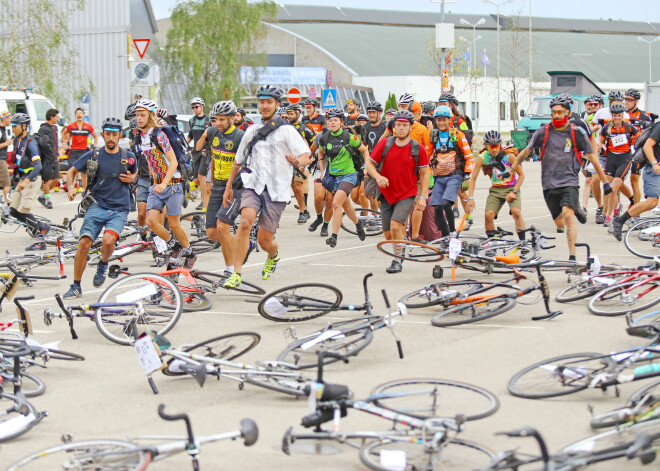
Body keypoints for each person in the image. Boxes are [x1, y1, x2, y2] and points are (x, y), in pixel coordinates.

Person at [221, 85, 311, 288]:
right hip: (253, 185)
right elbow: (238, 161)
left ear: (277, 104)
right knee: (244, 223)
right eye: (261, 102)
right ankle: (236, 273)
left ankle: (273, 254)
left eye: (269, 102)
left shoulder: (287, 130)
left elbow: (306, 156)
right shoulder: (251, 131)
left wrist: (297, 161)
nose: (265, 106)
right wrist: (228, 187)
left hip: (277, 191)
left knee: (264, 241)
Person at [510, 94, 611, 260]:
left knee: (568, 215)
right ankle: (576, 207)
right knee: (559, 223)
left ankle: (572, 257)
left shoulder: (576, 132)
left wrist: (605, 181)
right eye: (554, 112)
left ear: (568, 113)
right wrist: (511, 170)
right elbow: (525, 152)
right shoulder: (543, 132)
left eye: (560, 112)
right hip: (549, 184)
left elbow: (592, 157)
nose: (556, 115)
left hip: (569, 181)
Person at [62, 118, 137, 298]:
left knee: (108, 241)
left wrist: (132, 179)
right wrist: (71, 187)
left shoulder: (129, 157)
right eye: (108, 134)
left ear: (120, 135)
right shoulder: (94, 155)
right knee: (83, 244)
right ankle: (76, 285)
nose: (111, 138)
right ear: (102, 135)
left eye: (114, 134)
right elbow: (71, 172)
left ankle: (103, 263)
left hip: (119, 208)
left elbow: (136, 176)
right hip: (97, 205)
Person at [134, 99, 197, 269]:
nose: (139, 118)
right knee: (152, 222)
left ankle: (190, 253)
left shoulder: (159, 135)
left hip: (173, 184)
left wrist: (164, 183)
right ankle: (175, 246)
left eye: (142, 115)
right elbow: (149, 162)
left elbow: (173, 162)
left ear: (150, 116)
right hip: (156, 185)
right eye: (137, 115)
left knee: (175, 224)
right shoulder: (140, 137)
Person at [366, 110, 430, 274]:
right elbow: (370, 164)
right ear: (394, 126)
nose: (401, 128)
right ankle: (400, 249)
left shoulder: (418, 148)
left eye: (404, 125)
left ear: (410, 127)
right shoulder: (385, 144)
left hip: (407, 193)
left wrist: (423, 197)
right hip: (386, 193)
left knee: (396, 226)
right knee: (388, 235)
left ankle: (397, 259)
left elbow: (424, 174)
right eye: (398, 125)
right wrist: (378, 177)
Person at [195, 101, 245, 274]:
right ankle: (242, 243)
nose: (219, 123)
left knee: (223, 228)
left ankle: (230, 271)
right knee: (211, 233)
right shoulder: (212, 131)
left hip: (235, 188)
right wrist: (205, 135)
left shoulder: (240, 136)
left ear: (232, 118)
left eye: (222, 119)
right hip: (218, 186)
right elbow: (199, 147)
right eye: (216, 119)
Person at [317, 108, 369, 248]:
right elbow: (321, 154)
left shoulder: (349, 137)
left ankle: (333, 237)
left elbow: (365, 151)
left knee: (335, 203)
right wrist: (322, 170)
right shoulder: (325, 137)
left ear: (341, 122)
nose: (332, 122)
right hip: (333, 177)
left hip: (349, 175)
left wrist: (366, 167)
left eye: (335, 120)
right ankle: (358, 225)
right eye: (330, 120)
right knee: (346, 205)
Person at [466, 130, 526, 239]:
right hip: (496, 189)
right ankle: (492, 242)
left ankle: (523, 243)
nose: (494, 149)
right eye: (491, 146)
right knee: (488, 215)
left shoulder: (509, 156)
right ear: (486, 146)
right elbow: (473, 179)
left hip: (511, 187)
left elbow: (522, 175)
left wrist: (514, 191)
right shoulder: (482, 157)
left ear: (500, 145)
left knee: (516, 212)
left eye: (496, 146)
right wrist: (470, 197)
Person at [428, 106, 473, 238]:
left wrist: (466, 176)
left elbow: (469, 157)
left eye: (444, 120)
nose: (441, 123)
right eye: (439, 120)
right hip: (439, 177)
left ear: (449, 120)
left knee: (446, 203)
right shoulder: (434, 136)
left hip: (454, 176)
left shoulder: (458, 135)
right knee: (436, 208)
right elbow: (426, 155)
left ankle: (453, 233)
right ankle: (445, 237)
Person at [8, 113, 51, 250]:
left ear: (24, 126)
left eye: (16, 126)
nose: (13, 128)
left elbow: (37, 165)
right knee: (13, 211)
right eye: (12, 126)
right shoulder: (18, 141)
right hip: (21, 179)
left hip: (31, 180)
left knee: (24, 210)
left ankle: (41, 241)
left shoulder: (30, 143)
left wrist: (26, 182)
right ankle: (42, 227)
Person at [612, 123, 660, 240]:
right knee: (652, 202)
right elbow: (647, 146)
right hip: (655, 169)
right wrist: (654, 163)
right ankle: (620, 220)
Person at [598, 103, 640, 227]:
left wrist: (638, 150)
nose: (617, 118)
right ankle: (617, 207)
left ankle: (609, 217)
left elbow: (640, 137)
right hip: (611, 158)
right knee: (610, 188)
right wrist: (600, 146)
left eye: (619, 116)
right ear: (612, 116)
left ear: (622, 116)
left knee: (614, 188)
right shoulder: (607, 127)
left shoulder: (628, 127)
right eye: (615, 116)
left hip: (624, 158)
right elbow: (601, 140)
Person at [285, 103, 315, 223]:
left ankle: (302, 212)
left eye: (291, 114)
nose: (289, 116)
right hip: (288, 161)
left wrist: (312, 157)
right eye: (288, 114)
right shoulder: (285, 127)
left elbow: (315, 142)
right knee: (295, 188)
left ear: (298, 114)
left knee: (298, 186)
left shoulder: (304, 128)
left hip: (301, 161)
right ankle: (304, 209)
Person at [624, 88, 653, 206]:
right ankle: (627, 202)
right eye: (625, 99)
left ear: (636, 101)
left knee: (633, 181)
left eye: (629, 100)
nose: (626, 102)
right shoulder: (622, 114)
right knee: (616, 181)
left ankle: (636, 212)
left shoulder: (644, 116)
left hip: (637, 152)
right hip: (622, 151)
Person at [187, 97, 211, 211]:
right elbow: (190, 136)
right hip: (196, 151)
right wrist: (183, 146)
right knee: (196, 178)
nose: (195, 109)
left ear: (202, 106)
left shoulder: (209, 119)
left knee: (202, 176)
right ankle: (204, 196)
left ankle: (204, 202)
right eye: (193, 108)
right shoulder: (192, 120)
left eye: (197, 107)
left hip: (206, 151)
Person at [363, 101, 388, 211]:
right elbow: (364, 145)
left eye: (374, 112)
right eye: (370, 113)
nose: (371, 115)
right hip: (371, 162)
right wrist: (365, 163)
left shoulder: (385, 126)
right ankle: (377, 216)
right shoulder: (366, 127)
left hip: (384, 163)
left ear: (380, 113)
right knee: (368, 192)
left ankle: (378, 217)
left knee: (377, 192)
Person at [36, 108, 62, 210]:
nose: (57, 119)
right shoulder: (43, 129)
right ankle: (48, 200)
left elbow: (55, 143)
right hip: (46, 158)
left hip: (54, 156)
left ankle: (43, 196)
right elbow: (39, 142)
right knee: (46, 179)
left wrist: (57, 153)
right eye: (56, 116)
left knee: (56, 178)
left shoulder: (55, 128)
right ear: (51, 117)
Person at [64, 108, 97, 188]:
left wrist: (94, 147)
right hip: (74, 151)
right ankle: (71, 189)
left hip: (84, 151)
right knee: (71, 171)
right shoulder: (71, 126)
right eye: (77, 113)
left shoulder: (88, 126)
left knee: (85, 173)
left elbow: (95, 136)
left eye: (80, 113)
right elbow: (64, 133)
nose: (79, 115)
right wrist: (65, 143)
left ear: (83, 115)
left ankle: (84, 190)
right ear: (75, 115)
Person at [0, 111, 12, 202]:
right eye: (10, 118)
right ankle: (9, 204)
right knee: (7, 183)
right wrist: (6, 143)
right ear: (5, 118)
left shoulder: (3, 130)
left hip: (2, 159)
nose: (11, 120)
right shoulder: (0, 130)